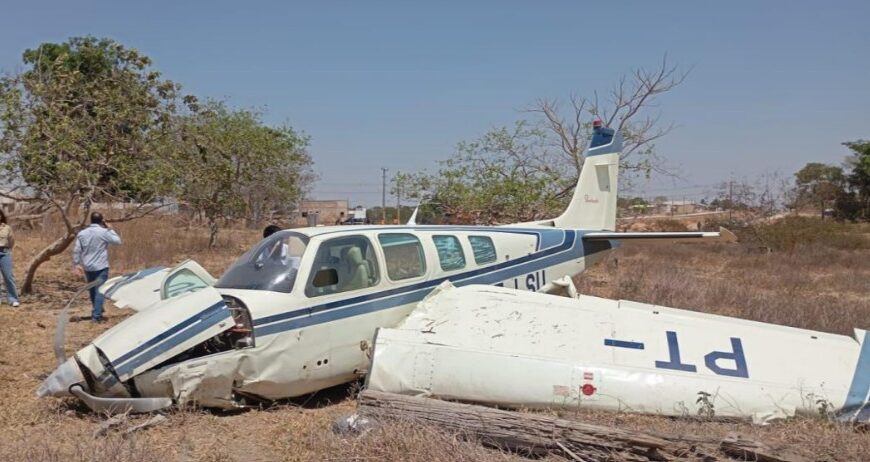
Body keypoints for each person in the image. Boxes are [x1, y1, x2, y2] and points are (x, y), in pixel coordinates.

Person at [73, 212, 121, 323]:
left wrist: (76, 264)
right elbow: (118, 241)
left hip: (88, 266)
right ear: (101, 221)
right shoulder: (104, 232)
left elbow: (77, 250)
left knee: (92, 290)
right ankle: (96, 316)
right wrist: (110, 229)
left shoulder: (82, 233)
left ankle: (97, 309)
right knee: (100, 291)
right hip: (101, 266)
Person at [0, 210, 20, 307]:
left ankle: (13, 299)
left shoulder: (7, 228)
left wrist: (8, 250)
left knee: (8, 276)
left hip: (4, 253)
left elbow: (11, 241)